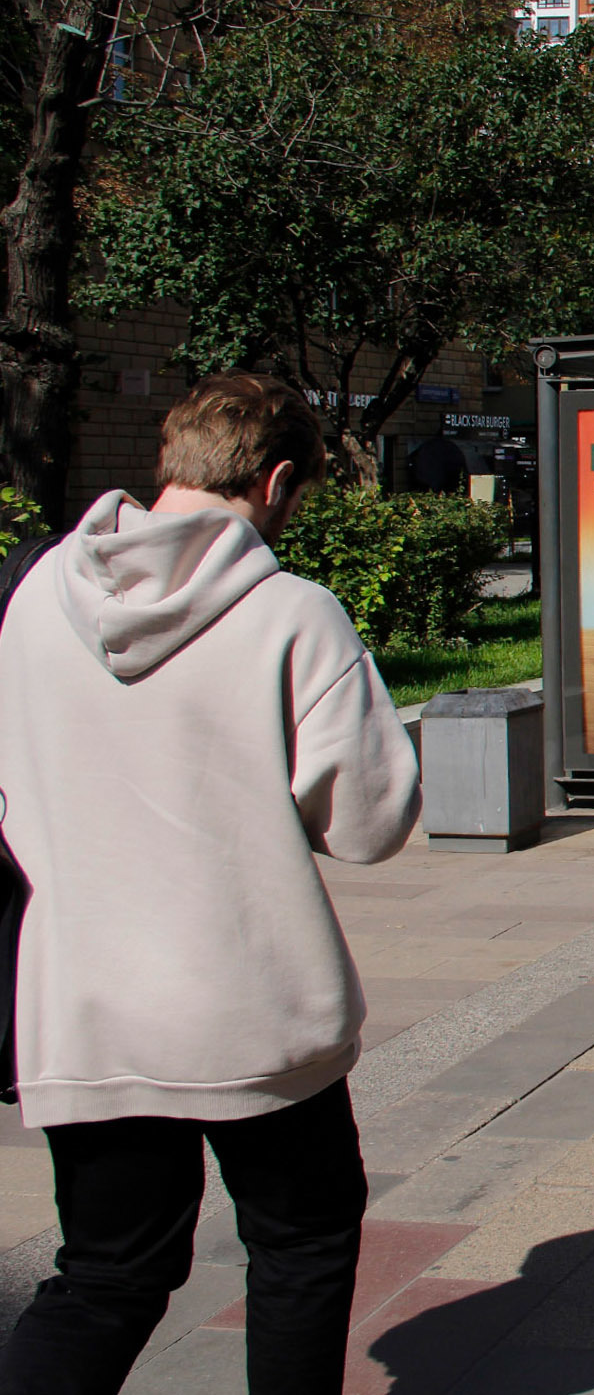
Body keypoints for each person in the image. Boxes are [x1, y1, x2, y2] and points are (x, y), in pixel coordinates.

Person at [0, 373, 422, 1394]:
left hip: (84, 1003)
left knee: (106, 1274)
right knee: (302, 1242)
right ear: (276, 481)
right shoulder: (293, 613)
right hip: (252, 1005)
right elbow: (367, 828)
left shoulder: (33, 596)